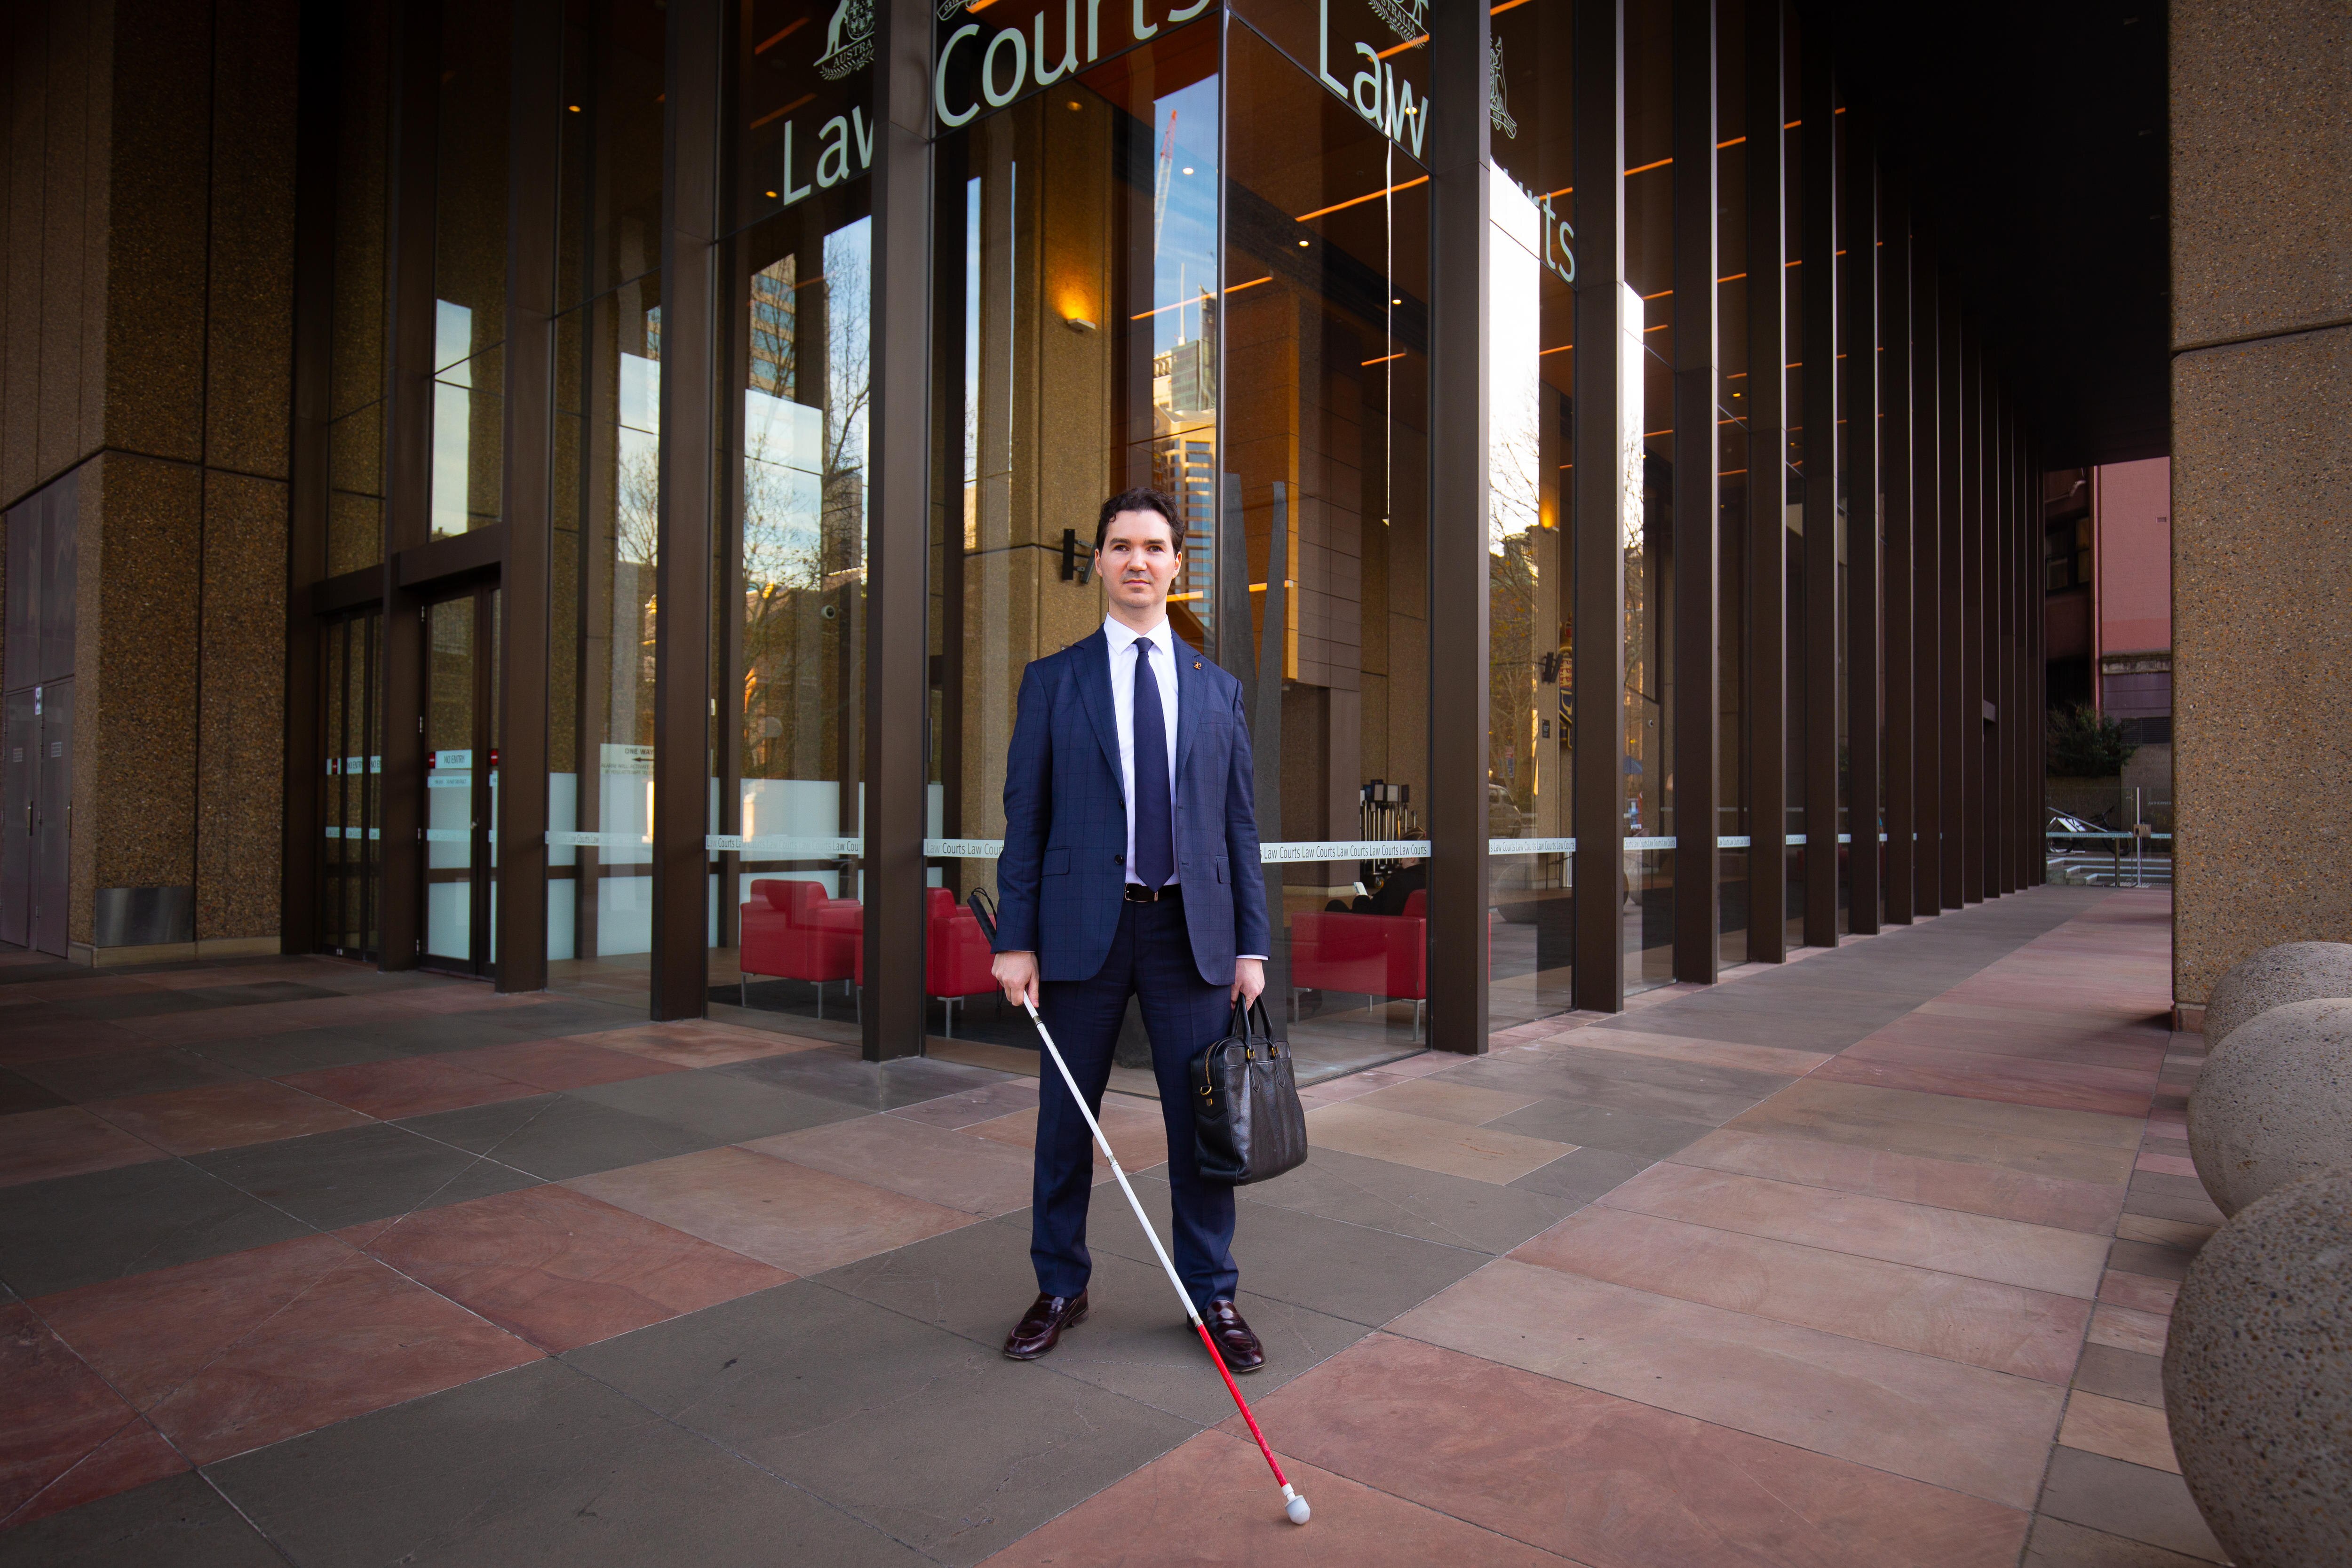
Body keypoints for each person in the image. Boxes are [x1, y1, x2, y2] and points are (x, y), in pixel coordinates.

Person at [989, 486, 1271, 1370]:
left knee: (1203, 1129)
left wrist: (1252, 945)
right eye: (1121, 546)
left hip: (1192, 936)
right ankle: (1060, 1286)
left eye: (1154, 547)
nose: (1138, 561)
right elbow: (1025, 820)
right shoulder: (1053, 681)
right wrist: (1015, 939)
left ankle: (1211, 1294)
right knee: (1066, 1123)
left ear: (1178, 564)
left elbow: (1238, 829)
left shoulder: (1216, 691)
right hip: (1081, 936)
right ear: (1100, 562)